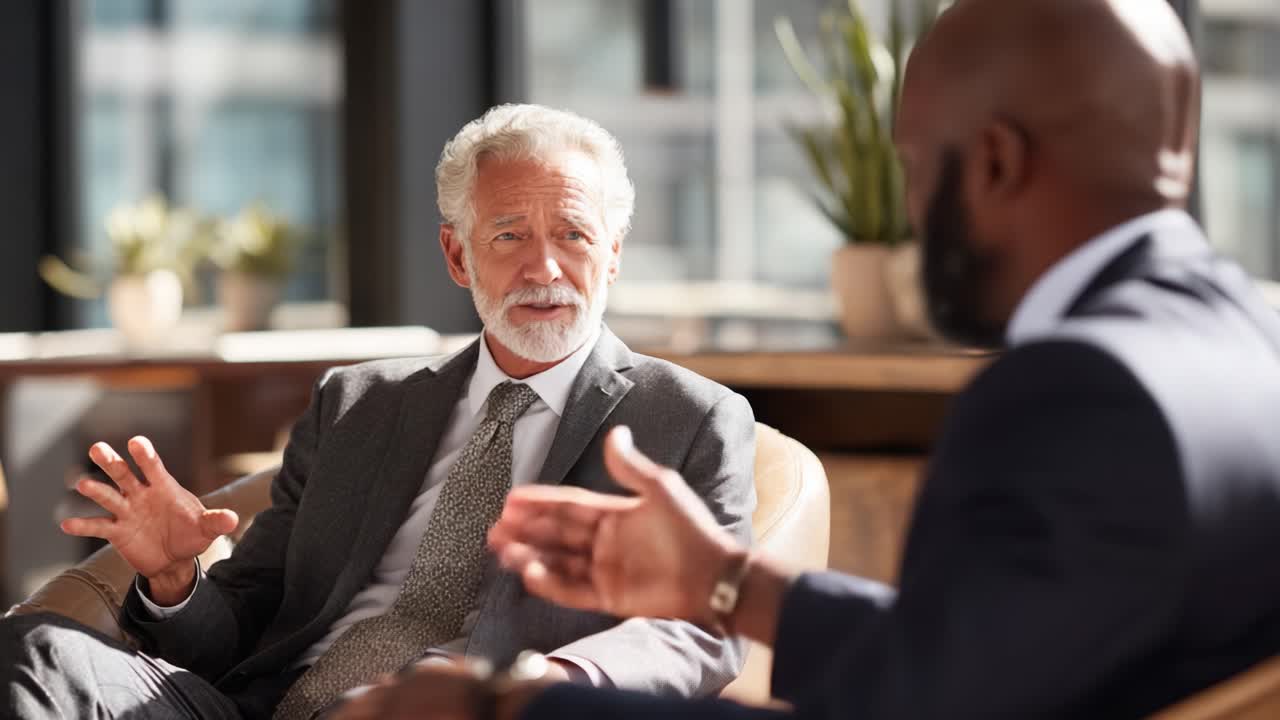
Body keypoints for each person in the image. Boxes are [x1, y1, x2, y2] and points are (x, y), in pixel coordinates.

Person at [331, 0, 1280, 718]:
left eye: (914, 168)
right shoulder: (1245, 345)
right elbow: (967, 661)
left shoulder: (1073, 390)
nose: (909, 212)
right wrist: (730, 583)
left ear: (992, 164)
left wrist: (507, 709)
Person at [0, 104, 757, 719]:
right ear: (458, 256)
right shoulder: (356, 403)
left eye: (573, 235)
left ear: (614, 252)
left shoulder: (690, 419)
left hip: (463, 710)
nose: (545, 267)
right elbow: (241, 628)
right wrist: (173, 578)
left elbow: (701, 632)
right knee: (33, 646)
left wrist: (549, 682)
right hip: (257, 708)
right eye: (509, 236)